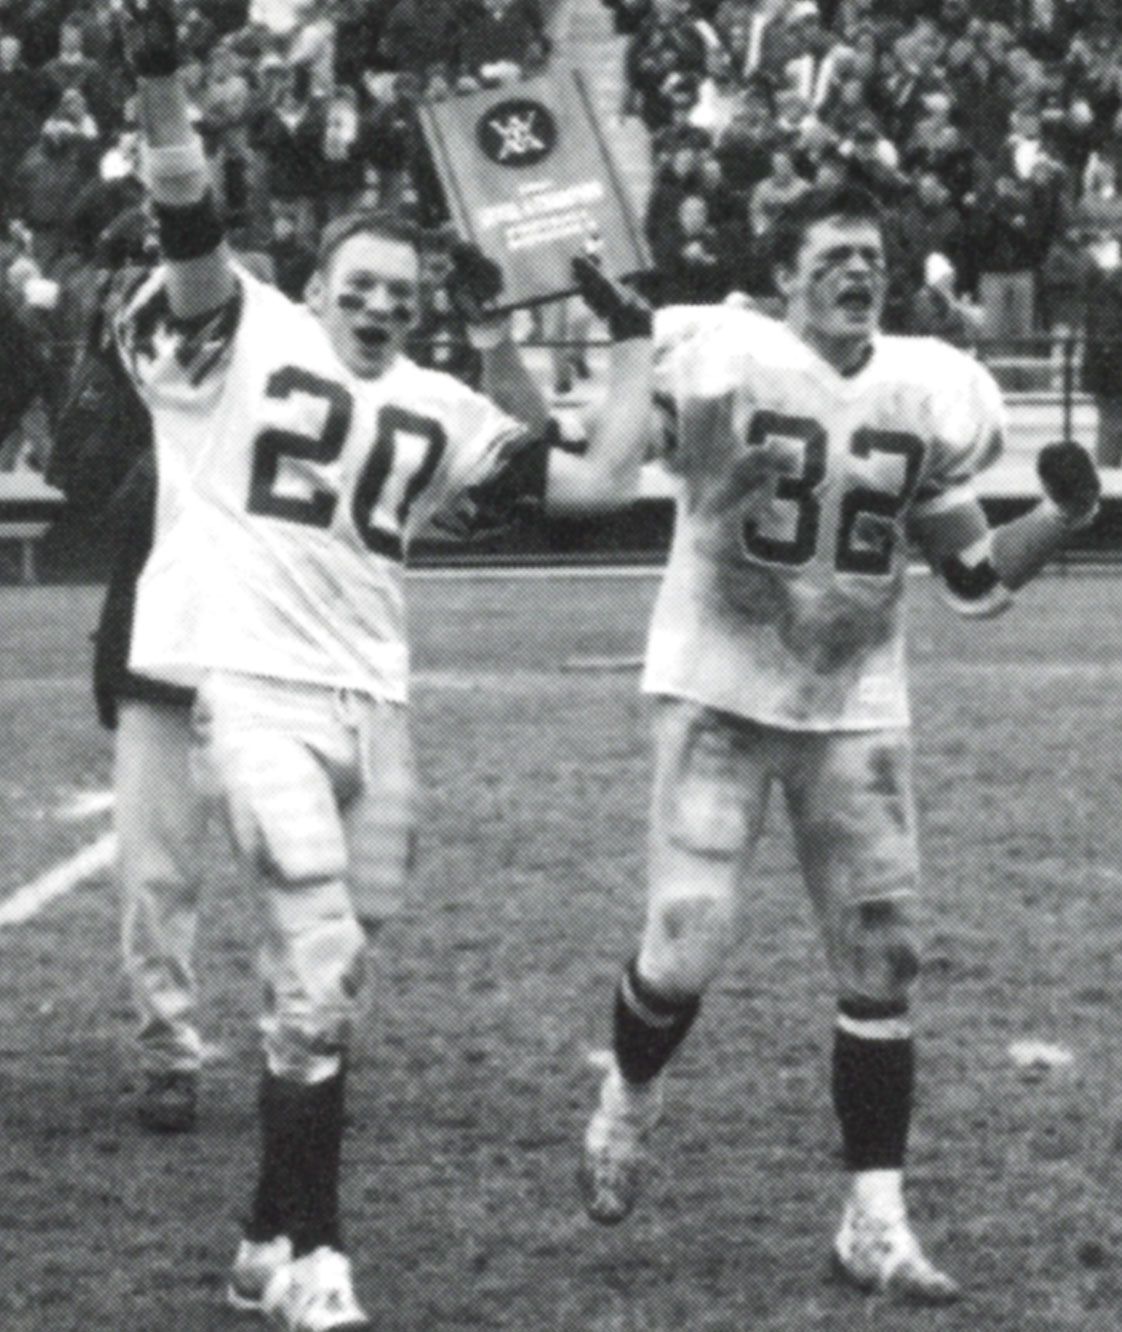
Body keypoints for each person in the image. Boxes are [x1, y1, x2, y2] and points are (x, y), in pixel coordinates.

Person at [116, 2, 654, 1328]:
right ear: (314, 288)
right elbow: (187, 216)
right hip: (251, 694)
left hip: (375, 717)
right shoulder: (247, 330)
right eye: (357, 284)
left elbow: (592, 479)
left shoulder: (437, 399)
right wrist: (159, 80)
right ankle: (318, 1264)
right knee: (311, 969)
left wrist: (626, 338)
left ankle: (257, 1241)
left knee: (334, 987)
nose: (374, 304)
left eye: (398, 296)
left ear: (421, 314)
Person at [577, 183, 1102, 1304]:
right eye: (835, 255)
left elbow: (968, 583)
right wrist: (616, 335)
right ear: (786, 274)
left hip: (855, 705)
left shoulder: (930, 387)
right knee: (685, 942)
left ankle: (875, 1217)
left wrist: (1060, 518)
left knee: (884, 960)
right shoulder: (721, 351)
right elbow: (608, 445)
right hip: (718, 692)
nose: (858, 271)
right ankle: (628, 1095)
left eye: (871, 254)